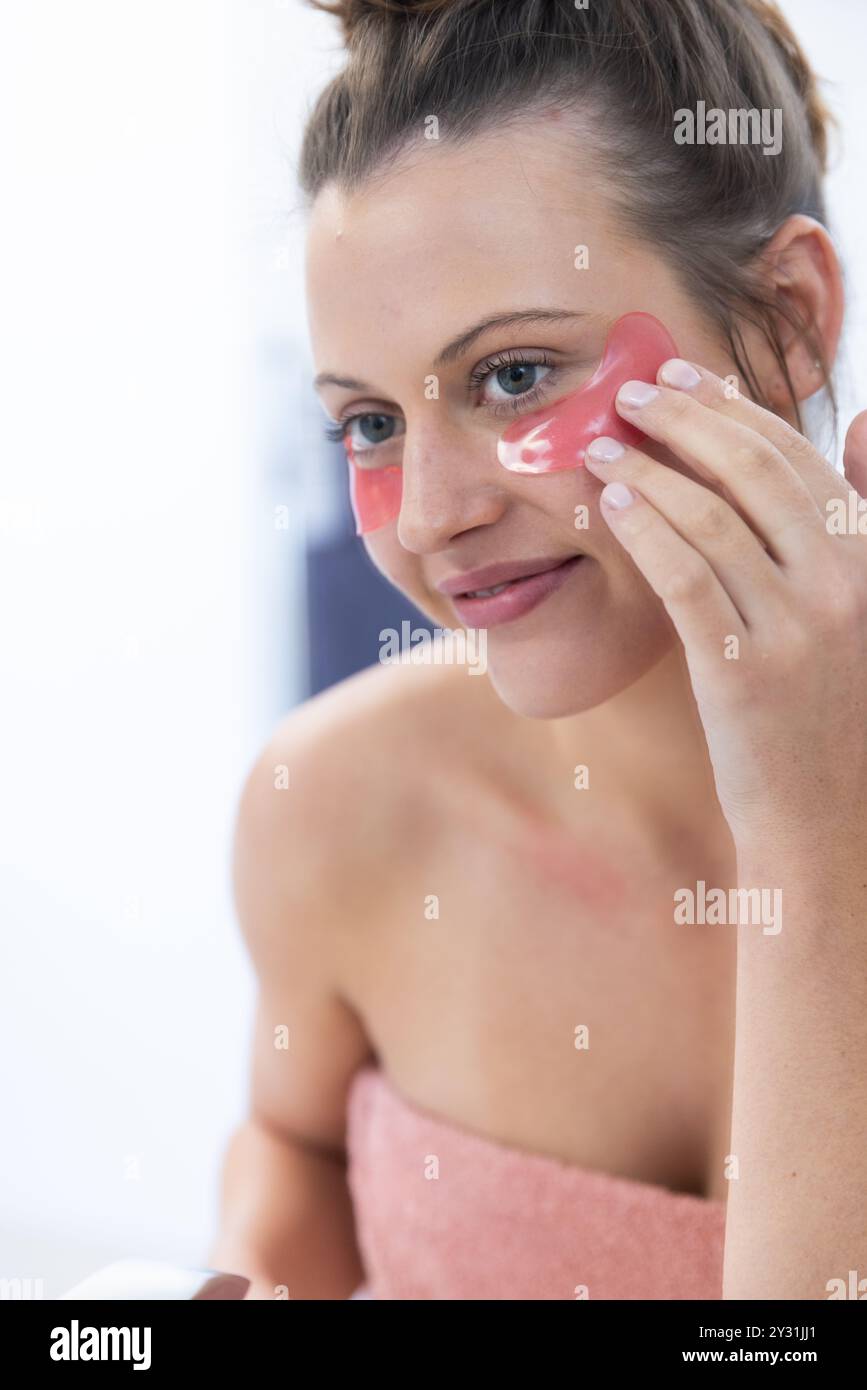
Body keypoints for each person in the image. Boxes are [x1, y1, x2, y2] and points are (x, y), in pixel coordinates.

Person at [210, 0, 867, 1300]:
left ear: (789, 318)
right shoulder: (337, 805)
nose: (436, 512)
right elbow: (294, 1144)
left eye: (514, 375)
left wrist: (818, 835)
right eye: (371, 422)